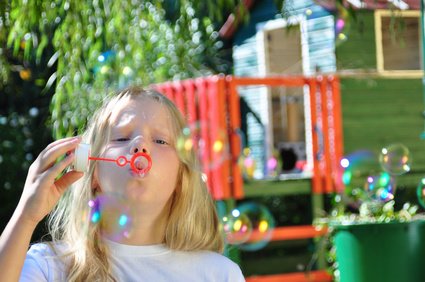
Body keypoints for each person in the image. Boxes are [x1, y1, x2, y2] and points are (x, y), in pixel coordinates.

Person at [0, 86, 245, 281]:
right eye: (121, 137)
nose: (139, 145)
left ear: (180, 179)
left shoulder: (218, 274)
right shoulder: (51, 267)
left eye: (160, 141)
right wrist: (26, 217)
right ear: (93, 173)